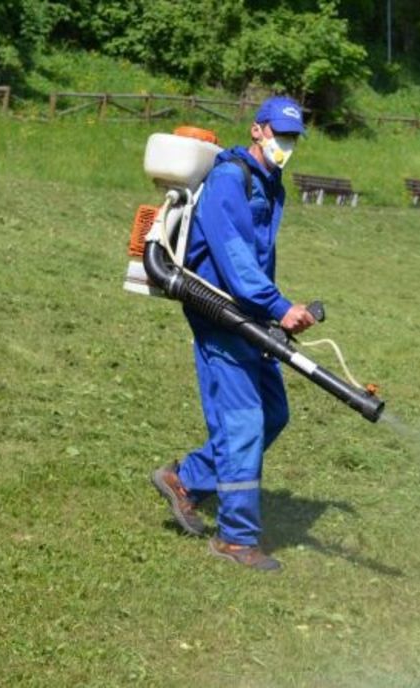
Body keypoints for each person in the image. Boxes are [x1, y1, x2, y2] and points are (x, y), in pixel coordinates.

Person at [151, 95, 317, 571]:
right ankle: (235, 538)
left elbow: (257, 257)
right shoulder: (231, 178)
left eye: (294, 137)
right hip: (221, 312)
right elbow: (235, 258)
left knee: (273, 413)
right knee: (243, 423)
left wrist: (272, 311)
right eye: (280, 133)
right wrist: (279, 307)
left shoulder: (269, 182)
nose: (287, 143)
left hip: (249, 312)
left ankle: (186, 479)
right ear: (258, 130)